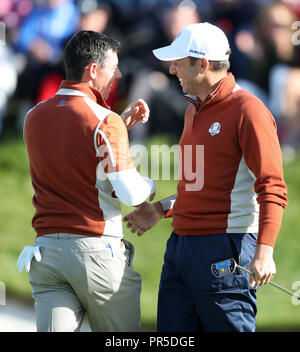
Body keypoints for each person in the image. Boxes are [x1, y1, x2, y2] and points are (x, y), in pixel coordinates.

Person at [124, 22, 288, 332]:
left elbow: (273, 188)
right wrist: (160, 209)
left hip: (226, 249)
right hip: (180, 248)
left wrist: (265, 252)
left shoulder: (248, 111)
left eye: (178, 62)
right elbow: (197, 186)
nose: (172, 69)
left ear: (203, 64)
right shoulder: (193, 111)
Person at [16, 30, 155, 332]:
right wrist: (152, 185)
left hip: (47, 254)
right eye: (113, 67)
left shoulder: (33, 116)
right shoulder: (106, 120)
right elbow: (131, 192)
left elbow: (75, 154)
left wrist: (119, 126)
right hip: (96, 253)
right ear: (93, 70)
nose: (117, 74)